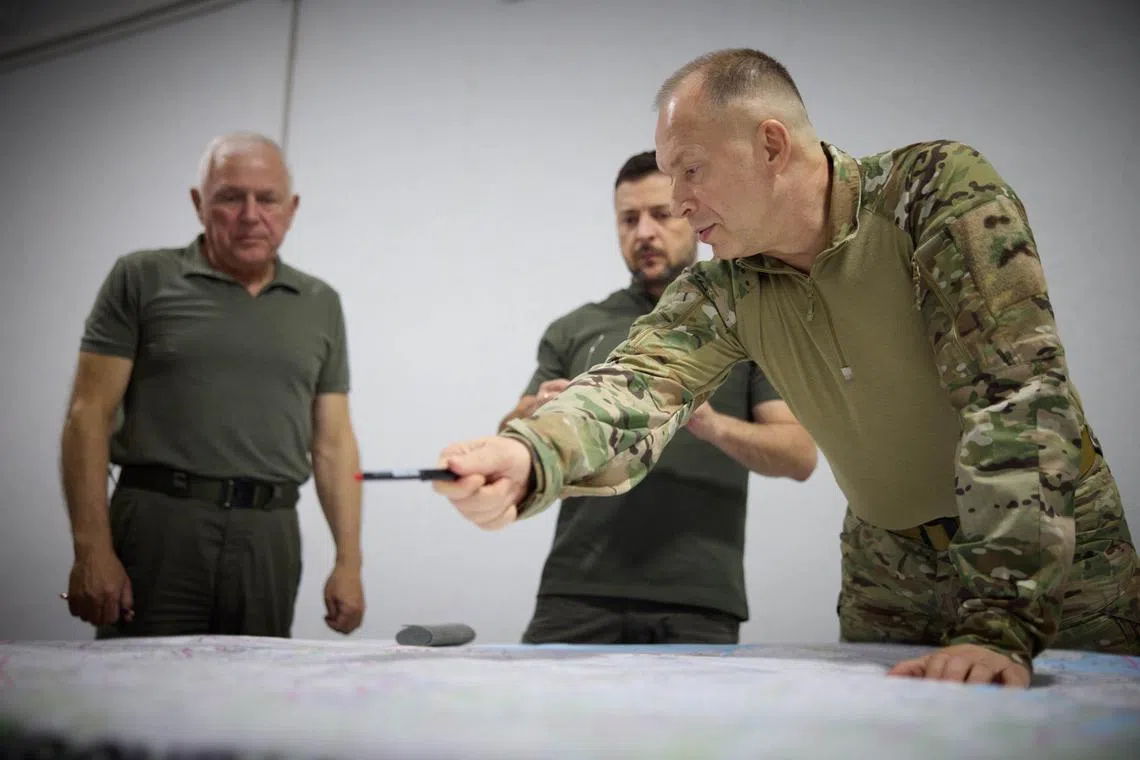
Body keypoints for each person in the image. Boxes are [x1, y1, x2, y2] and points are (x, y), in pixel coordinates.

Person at [433, 49, 1140, 686]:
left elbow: (1017, 394)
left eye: (691, 170)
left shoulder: (933, 193)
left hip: (1052, 555)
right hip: (887, 570)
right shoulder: (726, 285)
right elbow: (633, 389)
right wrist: (527, 454)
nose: (677, 202)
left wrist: (1000, 621)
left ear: (770, 145)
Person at [498, 151, 817, 644]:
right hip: (576, 591)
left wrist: (709, 423)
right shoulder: (574, 329)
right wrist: (535, 414)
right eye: (629, 219)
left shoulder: (746, 323)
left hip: (698, 597)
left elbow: (799, 456)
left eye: (660, 214)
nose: (644, 232)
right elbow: (509, 441)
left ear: (691, 215)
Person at [59, 131, 366, 638]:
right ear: (199, 204)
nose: (250, 215)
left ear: (291, 209)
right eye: (230, 197)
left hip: (270, 535)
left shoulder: (319, 302)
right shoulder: (142, 278)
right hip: (160, 526)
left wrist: (349, 562)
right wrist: (91, 550)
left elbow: (334, 442)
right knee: (142, 697)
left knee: (252, 703)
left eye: (266, 199)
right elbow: (87, 415)